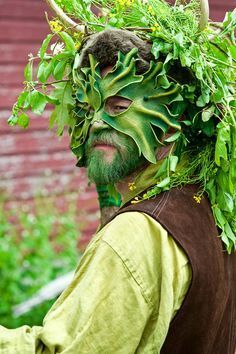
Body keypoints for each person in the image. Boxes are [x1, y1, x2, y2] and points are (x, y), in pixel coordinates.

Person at [1, 0, 235, 353]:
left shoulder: (136, 235)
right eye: (89, 107)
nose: (96, 122)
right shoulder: (210, 205)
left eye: (119, 107)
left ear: (174, 115)